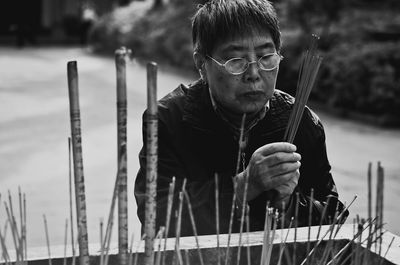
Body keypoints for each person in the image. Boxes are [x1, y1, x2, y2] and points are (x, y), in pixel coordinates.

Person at [135, 0, 347, 237]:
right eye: (236, 61)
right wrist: (243, 186)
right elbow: (155, 216)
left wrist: (287, 205)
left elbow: (333, 217)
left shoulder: (301, 121)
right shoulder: (168, 119)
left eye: (266, 57)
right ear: (201, 64)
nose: (254, 74)